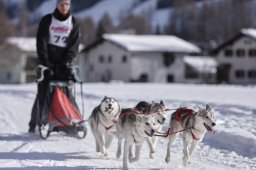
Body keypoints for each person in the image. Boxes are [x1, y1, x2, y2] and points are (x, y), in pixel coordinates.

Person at [28, 0, 80, 133]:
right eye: (62, 4)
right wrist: (46, 62)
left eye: (67, 4)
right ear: (57, 5)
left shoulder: (73, 22)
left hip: (64, 64)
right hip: (48, 63)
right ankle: (35, 123)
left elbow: (74, 45)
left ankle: (68, 121)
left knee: (66, 92)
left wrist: (67, 62)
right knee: (43, 92)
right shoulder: (47, 20)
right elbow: (41, 42)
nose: (64, 7)